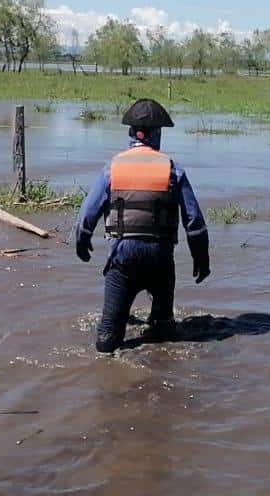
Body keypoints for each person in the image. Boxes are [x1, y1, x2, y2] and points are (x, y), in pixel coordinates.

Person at [74, 98, 210, 353]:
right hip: (160, 259)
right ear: (157, 134)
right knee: (163, 332)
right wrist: (201, 258)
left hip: (122, 259)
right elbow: (194, 221)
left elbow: (87, 215)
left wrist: (82, 241)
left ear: (130, 133)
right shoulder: (173, 170)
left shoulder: (112, 169)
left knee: (107, 339)